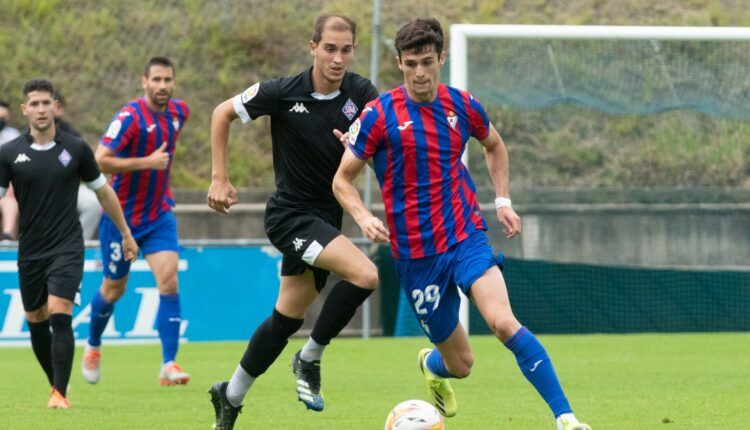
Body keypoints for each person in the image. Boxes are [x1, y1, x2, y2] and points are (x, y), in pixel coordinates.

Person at [333, 18, 591, 430]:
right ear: (399, 63)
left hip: (465, 234)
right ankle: (431, 363)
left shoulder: (463, 105)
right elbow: (342, 179)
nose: (421, 72)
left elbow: (494, 144)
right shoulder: (379, 114)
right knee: (462, 363)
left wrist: (502, 201)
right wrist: (362, 215)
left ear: (442, 59)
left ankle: (566, 417)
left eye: (428, 62)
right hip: (416, 256)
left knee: (503, 322)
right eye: (412, 63)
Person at [206, 14, 379, 429]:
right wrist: (219, 177)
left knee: (287, 318)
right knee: (366, 275)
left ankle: (229, 396)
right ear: (313, 47)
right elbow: (220, 113)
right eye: (330, 49)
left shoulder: (362, 93)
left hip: (324, 217)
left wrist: (361, 146)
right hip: (289, 217)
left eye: (346, 50)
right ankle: (309, 358)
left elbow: (383, 139)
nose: (338, 58)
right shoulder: (282, 92)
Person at [0, 78, 137, 409]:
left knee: (59, 313)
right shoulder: (9, 153)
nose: (41, 109)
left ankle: (59, 394)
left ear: (55, 106)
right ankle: (56, 384)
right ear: (25, 110)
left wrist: (126, 232)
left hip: (67, 246)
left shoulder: (75, 149)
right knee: (36, 320)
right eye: (34, 103)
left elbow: (103, 191)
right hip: (30, 249)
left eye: (46, 102)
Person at [80, 56, 191, 386]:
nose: (162, 86)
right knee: (114, 289)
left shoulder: (178, 112)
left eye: (167, 80)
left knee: (169, 282)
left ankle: (169, 364)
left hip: (158, 216)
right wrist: (147, 162)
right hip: (120, 218)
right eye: (156, 80)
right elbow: (99, 162)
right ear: (143, 82)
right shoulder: (129, 117)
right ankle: (93, 345)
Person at [53, 91, 102, 240]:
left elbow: (84, 168)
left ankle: (78, 242)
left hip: (68, 186)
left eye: (57, 106)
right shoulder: (26, 138)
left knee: (93, 203)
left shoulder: (73, 137)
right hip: (35, 189)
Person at [0, 100, 21, 241]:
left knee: (10, 197)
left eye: (3, 118)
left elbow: (17, 164)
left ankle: (7, 236)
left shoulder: (13, 135)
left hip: (7, 184)